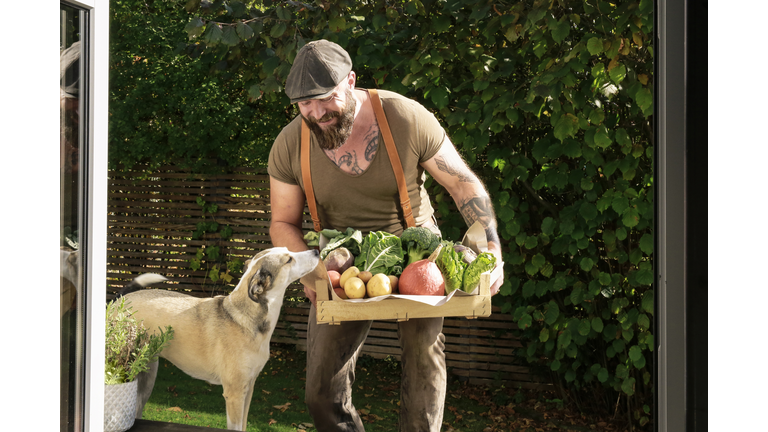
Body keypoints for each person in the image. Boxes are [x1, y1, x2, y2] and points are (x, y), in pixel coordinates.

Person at [267, 39, 504, 432]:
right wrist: (309, 270)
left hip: (419, 258)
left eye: (325, 99)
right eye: (304, 104)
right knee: (320, 392)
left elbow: (463, 185)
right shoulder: (290, 143)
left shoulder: (405, 117)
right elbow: (283, 223)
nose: (316, 112)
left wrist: (492, 246)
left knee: (423, 366)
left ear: (351, 81)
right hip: (341, 266)